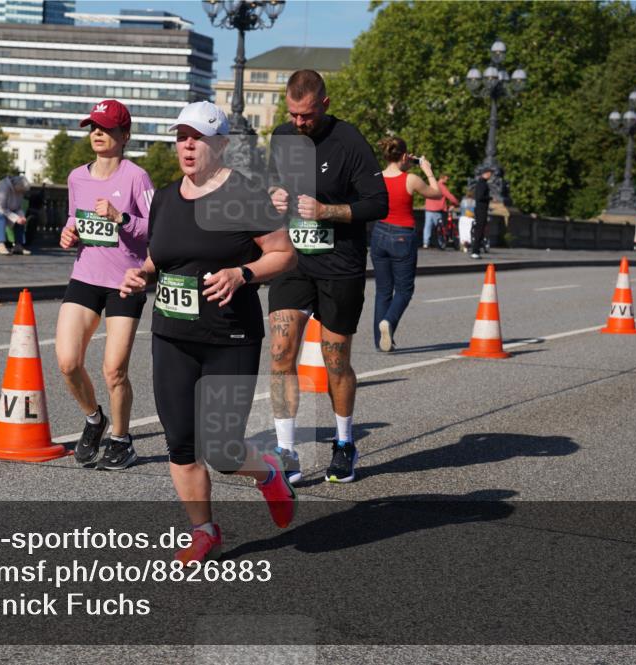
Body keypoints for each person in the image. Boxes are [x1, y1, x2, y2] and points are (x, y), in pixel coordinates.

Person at [119, 101, 298, 564]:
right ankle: (204, 530)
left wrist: (243, 273)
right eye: (181, 136)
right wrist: (142, 274)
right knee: (180, 442)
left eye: (197, 137)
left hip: (230, 337)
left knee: (221, 449)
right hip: (173, 335)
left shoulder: (245, 194)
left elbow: (283, 255)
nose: (188, 145)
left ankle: (268, 475)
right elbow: (162, 258)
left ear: (220, 144)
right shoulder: (163, 198)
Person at [266, 70, 388, 485]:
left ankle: (344, 443)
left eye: (307, 115)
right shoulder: (282, 137)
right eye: (293, 114)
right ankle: (286, 451)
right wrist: (273, 194)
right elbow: (268, 184)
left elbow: (378, 203)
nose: (299, 123)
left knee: (336, 361)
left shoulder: (349, 141)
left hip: (340, 263)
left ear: (325, 104)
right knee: (281, 353)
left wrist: (327, 211)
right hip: (293, 261)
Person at [58, 100, 155, 470]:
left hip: (124, 283)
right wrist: (69, 235)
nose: (97, 133)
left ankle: (122, 439)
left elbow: (154, 228)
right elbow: (74, 220)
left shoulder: (136, 177)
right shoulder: (76, 177)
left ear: (124, 135)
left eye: (106, 128)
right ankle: (94, 420)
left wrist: (122, 217)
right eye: (93, 127)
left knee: (114, 370)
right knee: (68, 363)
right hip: (84, 276)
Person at [373, 136, 441, 352]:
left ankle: (380, 341)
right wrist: (427, 170)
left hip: (379, 233)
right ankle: (389, 322)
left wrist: (405, 160)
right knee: (404, 290)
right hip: (402, 236)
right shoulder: (411, 179)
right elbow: (437, 193)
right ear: (404, 156)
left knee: (383, 291)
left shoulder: (376, 177)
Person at [422, 174, 459, 248]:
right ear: (443, 178)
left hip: (428, 209)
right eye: (446, 178)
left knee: (427, 227)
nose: (447, 180)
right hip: (437, 210)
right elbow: (450, 196)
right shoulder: (441, 186)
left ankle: (426, 243)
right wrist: (456, 203)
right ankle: (440, 242)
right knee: (440, 228)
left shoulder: (432, 184)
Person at [470, 167, 493, 259]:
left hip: (481, 210)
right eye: (490, 173)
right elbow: (479, 197)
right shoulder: (482, 184)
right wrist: (489, 198)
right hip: (481, 210)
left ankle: (477, 251)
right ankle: (475, 251)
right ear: (486, 173)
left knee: (480, 230)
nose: (490, 176)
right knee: (479, 231)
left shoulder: (482, 183)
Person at [458, 187, 476, 253]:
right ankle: (467, 244)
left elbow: (460, 209)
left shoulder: (463, 201)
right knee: (469, 232)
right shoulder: (474, 202)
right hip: (471, 219)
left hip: (463, 218)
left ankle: (463, 245)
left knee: (462, 232)